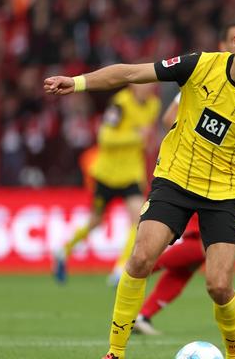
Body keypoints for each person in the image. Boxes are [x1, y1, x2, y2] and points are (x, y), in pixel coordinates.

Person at [44, 15, 235, 359]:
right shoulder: (199, 65)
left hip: (224, 194)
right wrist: (78, 82)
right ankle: (115, 352)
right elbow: (130, 73)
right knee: (141, 258)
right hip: (174, 179)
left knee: (219, 286)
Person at [132, 22, 235, 336]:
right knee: (199, 251)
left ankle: (145, 314)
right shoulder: (206, 77)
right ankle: (140, 266)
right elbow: (170, 118)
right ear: (223, 44)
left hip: (223, 182)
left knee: (193, 263)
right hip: (191, 176)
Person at [52, 83, 160, 284]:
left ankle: (120, 269)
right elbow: (105, 137)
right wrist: (136, 137)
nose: (148, 89)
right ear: (133, 86)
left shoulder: (154, 105)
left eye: (151, 85)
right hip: (107, 174)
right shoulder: (119, 104)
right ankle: (63, 251)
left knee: (138, 220)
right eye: (144, 84)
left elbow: (146, 138)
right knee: (96, 221)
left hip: (131, 175)